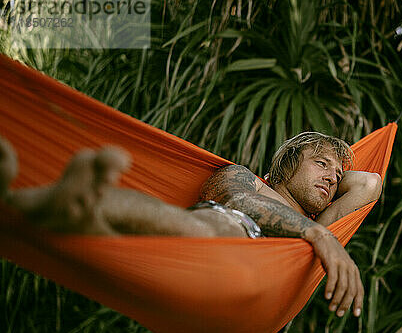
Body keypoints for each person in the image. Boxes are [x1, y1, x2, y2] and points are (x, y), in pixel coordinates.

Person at [0, 132, 382, 318]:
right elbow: (236, 202)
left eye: (337, 173)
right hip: (215, 246)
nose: (334, 177)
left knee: (92, 228)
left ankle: (49, 205)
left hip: (256, 286)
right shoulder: (246, 178)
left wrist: (321, 211)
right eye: (321, 163)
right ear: (287, 162)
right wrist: (314, 233)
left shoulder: (324, 221)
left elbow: (370, 183)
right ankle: (30, 204)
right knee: (218, 228)